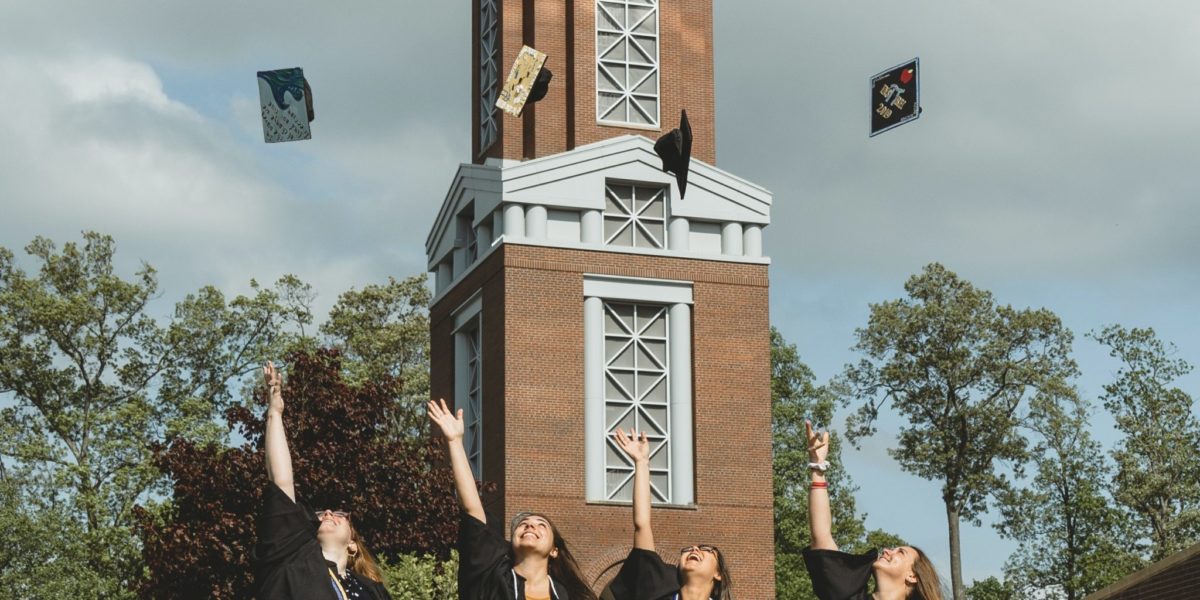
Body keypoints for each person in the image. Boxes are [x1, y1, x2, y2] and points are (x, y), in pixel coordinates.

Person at [427, 398, 598, 600]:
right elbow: (472, 510)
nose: (529, 526)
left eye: (541, 525)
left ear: (554, 550)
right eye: (523, 524)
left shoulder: (569, 596)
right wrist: (455, 442)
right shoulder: (491, 579)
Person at [252, 361, 392, 600]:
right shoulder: (293, 558)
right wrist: (275, 413)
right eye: (320, 514)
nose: (328, 513)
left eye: (339, 513)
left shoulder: (373, 591)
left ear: (352, 545)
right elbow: (281, 482)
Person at [803, 421, 943, 600]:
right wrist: (818, 467)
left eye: (900, 552)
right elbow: (821, 536)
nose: (887, 550)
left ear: (912, 576)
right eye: (895, 549)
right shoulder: (848, 595)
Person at [604, 428, 733, 600]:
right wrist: (642, 463)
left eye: (706, 550)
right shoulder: (656, 589)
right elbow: (642, 525)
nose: (695, 549)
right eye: (688, 549)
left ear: (718, 574)